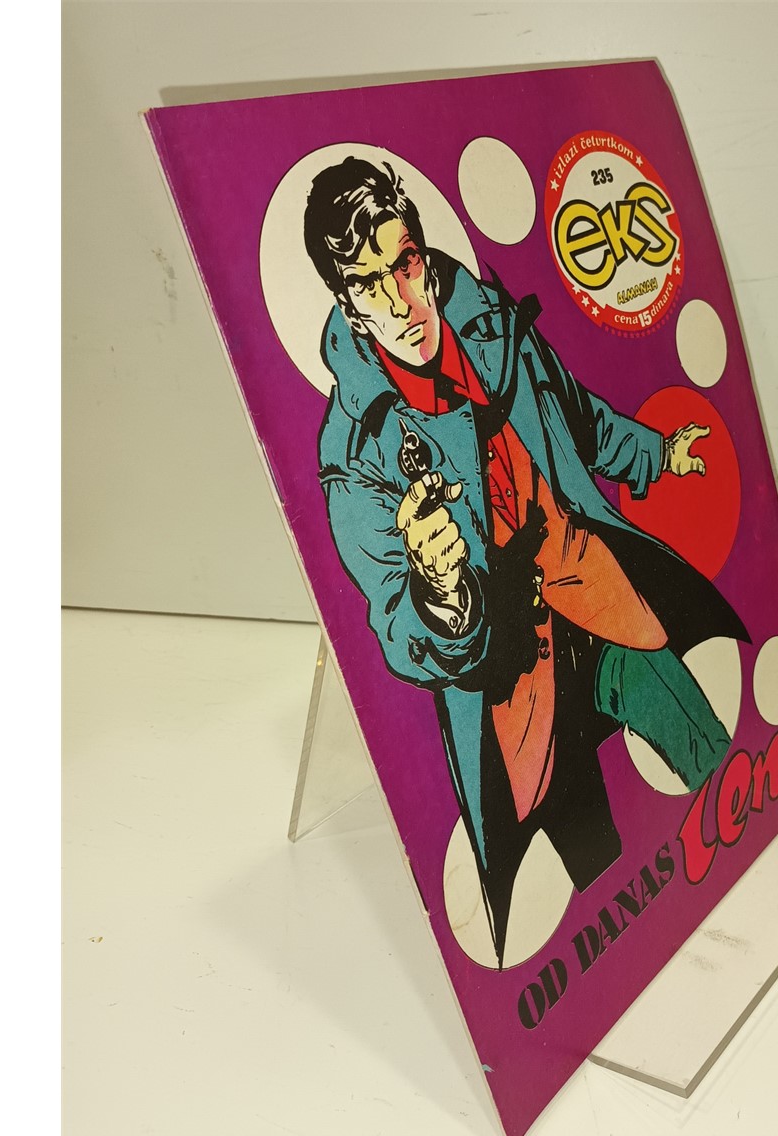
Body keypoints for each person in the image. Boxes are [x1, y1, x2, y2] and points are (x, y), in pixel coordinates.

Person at [304, 157, 748, 965]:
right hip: (514, 691)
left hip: (602, 601)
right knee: (602, 895)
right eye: (370, 285)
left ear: (422, 254)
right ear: (346, 302)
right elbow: (396, 621)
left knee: (717, 765)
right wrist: (441, 592)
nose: (402, 301)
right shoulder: (354, 453)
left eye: (405, 264)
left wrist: (655, 454)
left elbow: (574, 415)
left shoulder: (490, 324)